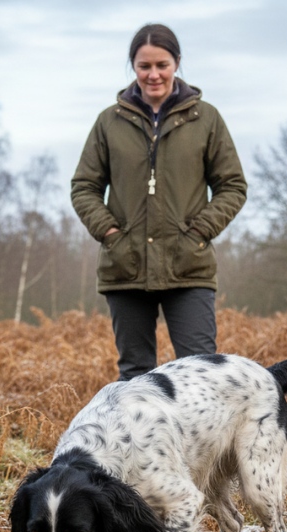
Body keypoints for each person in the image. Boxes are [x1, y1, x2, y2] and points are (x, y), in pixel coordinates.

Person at [71, 23, 247, 381]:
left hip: (189, 265)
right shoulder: (108, 123)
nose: (153, 75)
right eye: (144, 66)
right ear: (133, 67)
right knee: (135, 376)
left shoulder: (206, 119)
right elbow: (84, 187)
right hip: (126, 267)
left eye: (162, 65)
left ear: (177, 63)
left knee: (202, 373)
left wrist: (198, 231)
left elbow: (232, 186)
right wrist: (111, 234)